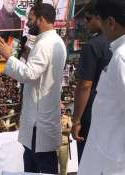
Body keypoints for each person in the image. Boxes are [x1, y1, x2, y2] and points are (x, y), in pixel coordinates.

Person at [0, 3, 67, 174]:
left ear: (41, 20)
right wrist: (25, 55)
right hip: (42, 117)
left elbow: (29, 74)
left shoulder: (45, 44)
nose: (28, 24)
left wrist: (9, 56)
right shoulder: (55, 41)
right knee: (40, 163)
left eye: (31, 20)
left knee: (41, 166)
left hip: (38, 122)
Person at [78, 0, 125, 174]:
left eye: (101, 20)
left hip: (111, 159)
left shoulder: (121, 58)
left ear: (111, 22)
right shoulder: (117, 53)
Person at [71, 2, 112, 163]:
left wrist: (76, 120)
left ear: (99, 17)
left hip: (92, 114)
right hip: (114, 113)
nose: (85, 23)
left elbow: (85, 86)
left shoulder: (93, 46)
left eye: (87, 18)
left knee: (89, 162)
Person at [58, 108, 72, 175]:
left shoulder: (67, 118)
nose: (62, 110)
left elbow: (70, 130)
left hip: (64, 145)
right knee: (51, 167)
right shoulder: (52, 116)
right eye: (61, 109)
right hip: (53, 145)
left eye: (63, 109)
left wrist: (61, 130)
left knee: (63, 167)